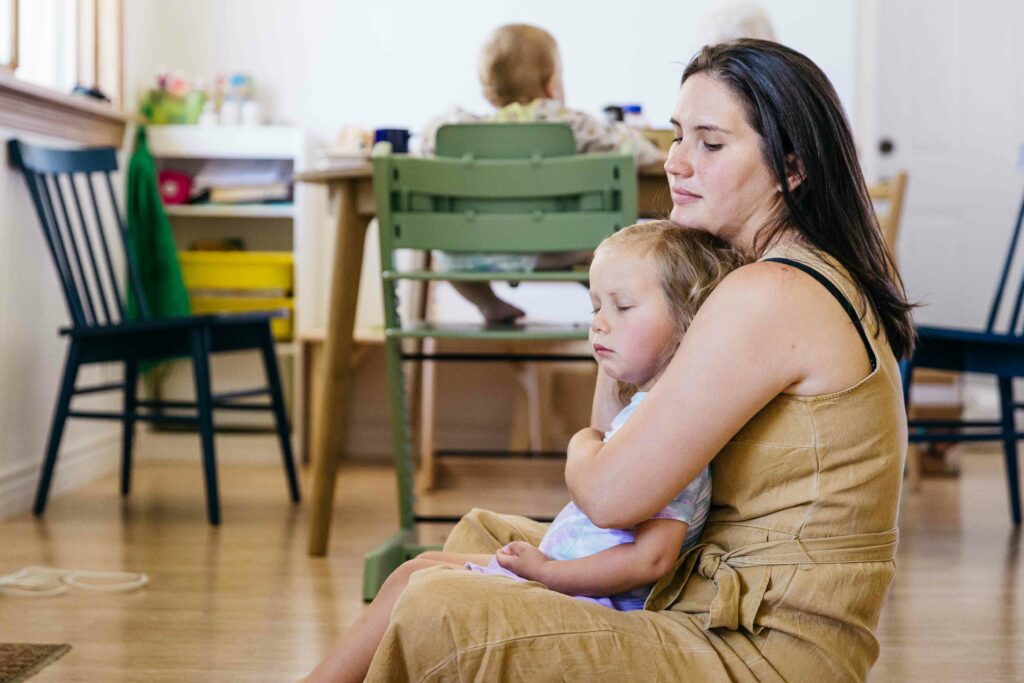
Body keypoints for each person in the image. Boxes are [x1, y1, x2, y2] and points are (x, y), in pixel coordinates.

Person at [355, 39, 914, 682]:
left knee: (439, 604)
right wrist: (634, 304)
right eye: (678, 137)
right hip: (709, 594)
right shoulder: (773, 274)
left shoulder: (771, 294)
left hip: (761, 653)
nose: (676, 163)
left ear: (790, 168)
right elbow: (624, 432)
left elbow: (609, 493)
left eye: (710, 144)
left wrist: (581, 445)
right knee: (481, 539)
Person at [303, 222, 745, 682]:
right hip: (570, 583)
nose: (599, 322)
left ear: (688, 319)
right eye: (595, 305)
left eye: (623, 306)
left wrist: (549, 572)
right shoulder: (650, 409)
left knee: (414, 583)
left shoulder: (672, 428)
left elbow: (650, 560)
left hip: (589, 600)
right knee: (414, 571)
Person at [422, 23, 665, 324]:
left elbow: (427, 141)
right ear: (552, 84)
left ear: (489, 91)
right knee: (605, 252)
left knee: (443, 252)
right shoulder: (572, 125)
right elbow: (633, 149)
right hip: (558, 247)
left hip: (477, 253)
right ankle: (617, 316)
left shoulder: (460, 134)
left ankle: (488, 303)